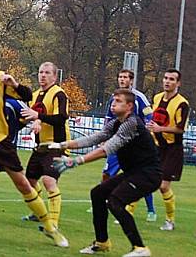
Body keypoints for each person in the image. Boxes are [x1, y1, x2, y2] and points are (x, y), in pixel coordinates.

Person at [0, 41, 68, 247]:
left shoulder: (0, 78)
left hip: (1, 142)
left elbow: (27, 97)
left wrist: (14, 84)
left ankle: (51, 228)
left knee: (24, 184)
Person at [44, 89, 160, 257]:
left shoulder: (132, 123)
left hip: (148, 174)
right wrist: (63, 145)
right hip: (134, 172)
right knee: (98, 193)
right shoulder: (116, 123)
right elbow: (96, 138)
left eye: (118, 101)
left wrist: (77, 161)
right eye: (113, 100)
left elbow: (107, 149)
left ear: (129, 106)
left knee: (115, 201)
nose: (113, 103)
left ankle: (140, 248)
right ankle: (102, 242)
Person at [98, 70, 156, 221]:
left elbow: (150, 115)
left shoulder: (138, 98)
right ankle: (101, 200)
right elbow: (108, 119)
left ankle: (151, 210)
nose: (122, 79)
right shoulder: (114, 98)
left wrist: (146, 132)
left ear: (131, 81)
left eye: (125, 77)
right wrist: (105, 137)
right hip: (117, 143)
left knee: (138, 176)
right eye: (120, 77)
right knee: (106, 173)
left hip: (133, 145)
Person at [20, 62, 69, 227]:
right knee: (30, 181)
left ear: (55, 76)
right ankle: (38, 212)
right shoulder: (34, 95)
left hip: (57, 146)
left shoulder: (59, 94)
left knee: (49, 180)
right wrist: (33, 120)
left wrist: (38, 116)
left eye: (47, 72)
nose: (43, 75)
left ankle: (53, 222)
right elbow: (33, 116)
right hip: (40, 147)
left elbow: (61, 118)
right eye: (41, 72)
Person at [145, 69, 189, 232]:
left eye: (171, 79)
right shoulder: (157, 98)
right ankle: (127, 211)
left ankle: (170, 220)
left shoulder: (182, 103)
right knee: (143, 177)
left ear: (178, 83)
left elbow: (180, 129)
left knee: (163, 186)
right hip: (156, 147)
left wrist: (159, 128)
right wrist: (149, 126)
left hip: (172, 149)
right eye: (165, 78)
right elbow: (152, 116)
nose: (167, 81)